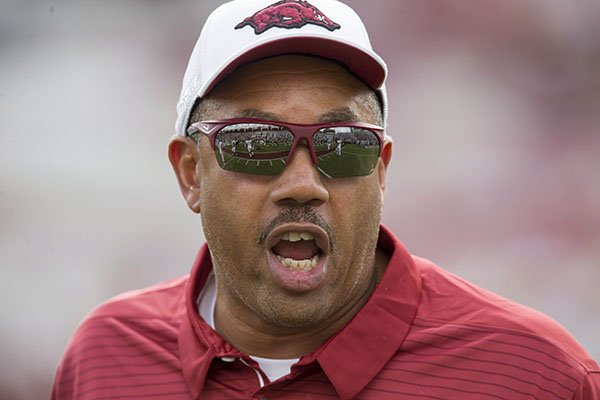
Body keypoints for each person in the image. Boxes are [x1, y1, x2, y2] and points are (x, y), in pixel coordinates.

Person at [51, 0, 600, 399]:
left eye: (342, 146)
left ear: (380, 171)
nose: (303, 184)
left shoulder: (536, 375)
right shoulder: (105, 357)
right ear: (191, 173)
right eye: (256, 143)